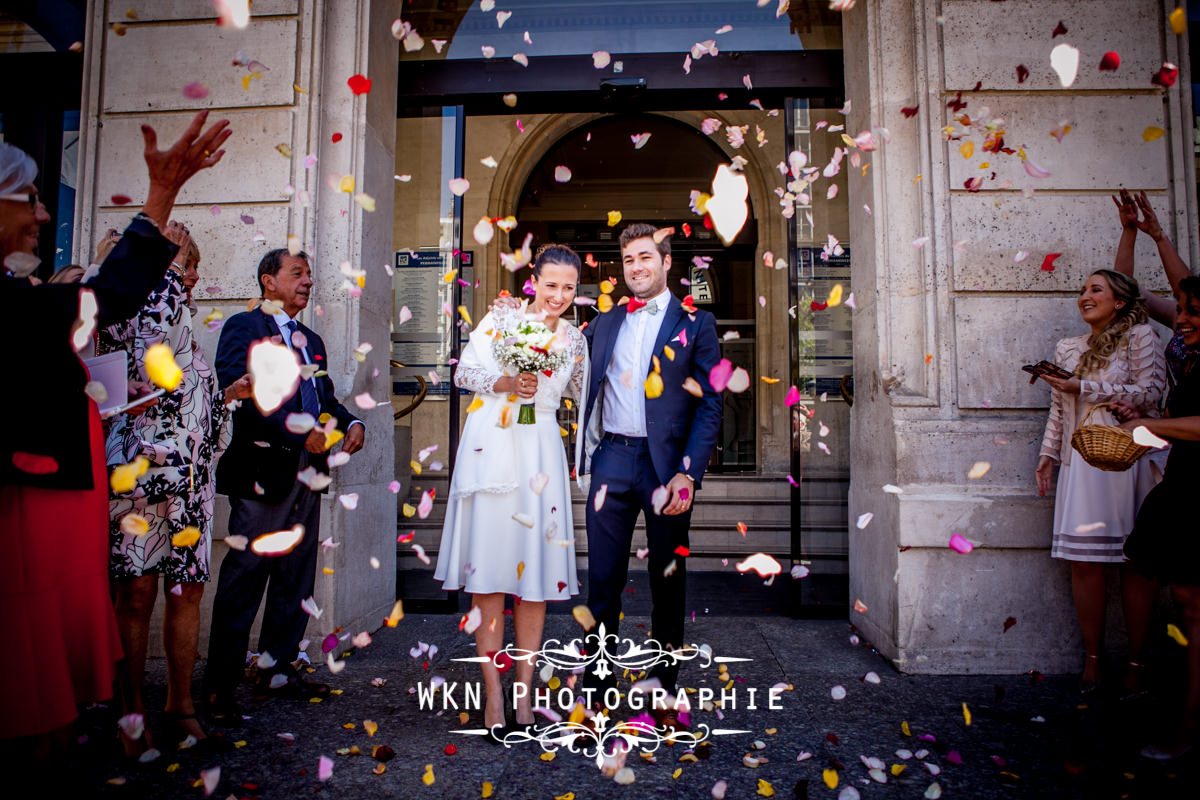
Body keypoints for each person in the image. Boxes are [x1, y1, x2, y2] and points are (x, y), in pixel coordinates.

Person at [0, 111, 231, 762]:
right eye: (33, 198)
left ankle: (166, 708)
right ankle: (127, 716)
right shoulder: (39, 302)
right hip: (83, 483)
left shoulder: (187, 329)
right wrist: (161, 197)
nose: (44, 216)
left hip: (177, 474)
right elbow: (104, 300)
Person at [102, 225, 252, 755]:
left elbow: (201, 411)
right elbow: (150, 352)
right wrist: (160, 261)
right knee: (137, 592)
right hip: (138, 473)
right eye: (186, 266)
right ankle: (131, 713)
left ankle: (180, 706)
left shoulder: (182, 318)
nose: (191, 278)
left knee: (187, 590)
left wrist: (228, 396)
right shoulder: (119, 308)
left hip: (190, 477)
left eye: (188, 269)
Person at [202, 249, 364, 723]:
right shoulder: (244, 328)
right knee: (244, 577)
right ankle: (219, 685)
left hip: (307, 476)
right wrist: (301, 433)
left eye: (310, 275)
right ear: (268, 281)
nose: (308, 282)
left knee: (296, 577)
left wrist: (351, 423)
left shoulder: (312, 341)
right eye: (298, 274)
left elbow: (325, 400)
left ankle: (276, 669)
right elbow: (243, 396)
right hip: (261, 472)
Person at [434, 244, 589, 737]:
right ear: (534, 282)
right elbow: (464, 373)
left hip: (542, 447)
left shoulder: (575, 340)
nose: (559, 296)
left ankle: (524, 694)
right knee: (492, 575)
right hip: (494, 444)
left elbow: (590, 395)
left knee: (535, 578)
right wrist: (506, 380)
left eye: (568, 287)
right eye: (551, 285)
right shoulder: (501, 319)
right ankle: (493, 694)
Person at [575, 223, 723, 712]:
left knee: (667, 579)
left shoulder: (696, 324)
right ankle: (597, 691)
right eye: (629, 261)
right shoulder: (605, 322)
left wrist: (688, 471)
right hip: (613, 459)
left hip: (667, 470)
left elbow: (710, 405)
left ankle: (663, 688)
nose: (636, 268)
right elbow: (557, 346)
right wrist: (514, 315)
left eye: (645, 258)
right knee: (602, 582)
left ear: (665, 262)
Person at [1035, 269, 1167, 693]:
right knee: (1084, 565)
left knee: (1136, 565)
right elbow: (1059, 408)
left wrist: (1083, 386)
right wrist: (1048, 455)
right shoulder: (1068, 347)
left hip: (1128, 460)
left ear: (1121, 301)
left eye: (1096, 290)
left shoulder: (1142, 336)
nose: (1085, 297)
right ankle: (1093, 660)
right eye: (1082, 291)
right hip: (1082, 462)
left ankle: (1136, 662)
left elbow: (1150, 392)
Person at [1119, 275, 1200, 759]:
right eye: (1181, 309)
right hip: (1184, 483)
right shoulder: (1190, 363)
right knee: (1182, 594)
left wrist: (1152, 424)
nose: (1181, 319)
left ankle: (1190, 725)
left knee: (1194, 604)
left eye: (1191, 311)